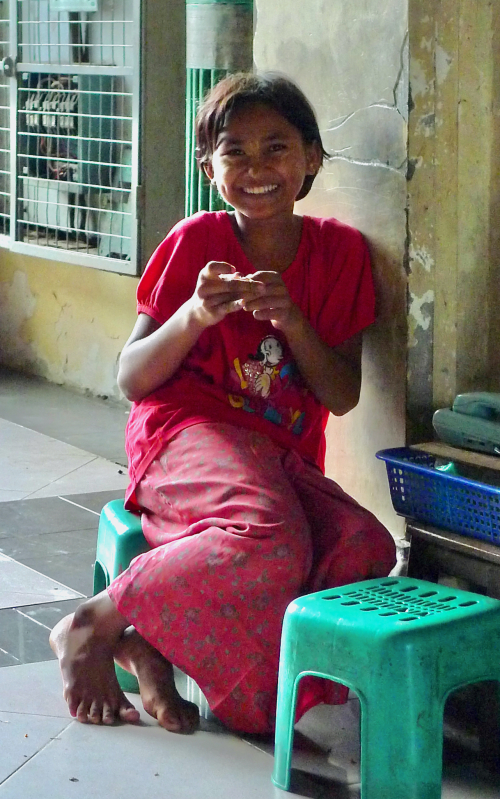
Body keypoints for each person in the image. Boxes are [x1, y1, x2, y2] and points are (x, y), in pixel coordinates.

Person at [50, 72, 396, 736]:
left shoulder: (340, 255)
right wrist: (193, 315)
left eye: (277, 146)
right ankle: (98, 618)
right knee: (271, 535)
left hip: (276, 456)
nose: (257, 167)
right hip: (184, 434)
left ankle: (173, 651)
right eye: (234, 150)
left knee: (363, 544)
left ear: (312, 159)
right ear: (208, 168)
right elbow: (132, 378)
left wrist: (293, 319)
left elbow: (341, 395)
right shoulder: (196, 242)